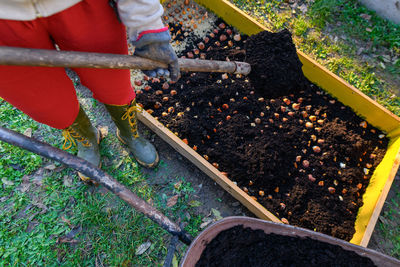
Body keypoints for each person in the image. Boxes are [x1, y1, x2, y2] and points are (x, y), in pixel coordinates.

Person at [0, 0, 179, 182]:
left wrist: (147, 25)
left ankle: (129, 134)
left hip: (79, 5)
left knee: (114, 85)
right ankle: (87, 139)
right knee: (49, 105)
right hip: (4, 26)